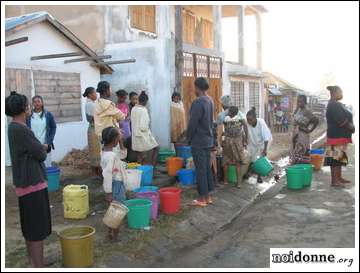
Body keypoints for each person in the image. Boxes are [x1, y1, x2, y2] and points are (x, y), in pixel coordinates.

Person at [6, 91, 51, 267]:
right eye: (28, 105)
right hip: (32, 183)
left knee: (30, 226)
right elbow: (40, 154)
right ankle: (38, 265)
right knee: (37, 229)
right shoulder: (22, 129)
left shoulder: (13, 127)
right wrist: (43, 147)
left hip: (24, 183)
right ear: (24, 108)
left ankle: (33, 261)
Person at [187, 77, 215, 207]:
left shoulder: (198, 102)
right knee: (206, 169)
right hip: (208, 140)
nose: (194, 90)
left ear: (197, 87)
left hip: (199, 140)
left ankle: (202, 199)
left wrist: (188, 138)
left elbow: (193, 124)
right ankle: (208, 196)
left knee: (201, 170)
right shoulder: (210, 100)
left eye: (194, 87)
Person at [324, 86, 355, 187]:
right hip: (336, 136)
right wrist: (351, 127)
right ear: (335, 93)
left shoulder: (335, 104)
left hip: (338, 136)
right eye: (340, 92)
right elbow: (341, 121)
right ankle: (335, 181)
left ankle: (338, 177)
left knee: (338, 158)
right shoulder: (334, 105)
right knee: (335, 160)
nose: (342, 94)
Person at [100, 127, 127, 241]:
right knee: (117, 211)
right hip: (115, 185)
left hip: (115, 185)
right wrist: (109, 192)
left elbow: (123, 155)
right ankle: (115, 236)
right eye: (118, 137)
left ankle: (110, 233)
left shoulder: (107, 151)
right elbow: (107, 175)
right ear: (114, 139)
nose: (119, 139)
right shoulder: (110, 156)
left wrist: (121, 143)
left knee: (113, 211)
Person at [93, 81, 126, 160]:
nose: (111, 91)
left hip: (102, 136)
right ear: (106, 90)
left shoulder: (97, 102)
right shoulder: (108, 104)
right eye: (110, 88)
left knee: (105, 158)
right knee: (114, 159)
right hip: (111, 136)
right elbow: (122, 116)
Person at [222, 106, 250, 188]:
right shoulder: (240, 119)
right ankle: (239, 183)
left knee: (226, 161)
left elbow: (224, 129)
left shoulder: (225, 119)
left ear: (230, 112)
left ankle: (225, 181)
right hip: (237, 142)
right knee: (238, 162)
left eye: (229, 111)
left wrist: (223, 138)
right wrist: (246, 138)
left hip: (228, 142)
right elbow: (245, 127)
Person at [131, 91, 160, 168]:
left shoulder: (134, 108)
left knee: (140, 156)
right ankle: (152, 169)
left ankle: (139, 173)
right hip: (143, 135)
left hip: (135, 135)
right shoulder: (143, 110)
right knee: (156, 148)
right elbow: (143, 127)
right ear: (145, 101)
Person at [26, 95, 56, 167]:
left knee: (46, 166)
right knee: (35, 167)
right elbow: (26, 130)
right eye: (34, 102)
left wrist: (48, 142)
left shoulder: (48, 115)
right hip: (33, 146)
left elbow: (53, 128)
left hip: (45, 146)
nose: (37, 103)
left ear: (42, 103)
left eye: (38, 101)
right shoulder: (29, 116)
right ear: (32, 104)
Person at [246, 107, 273, 183]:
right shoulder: (248, 124)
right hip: (254, 143)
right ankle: (249, 172)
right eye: (247, 120)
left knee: (259, 159)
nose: (249, 121)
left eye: (250, 120)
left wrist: (265, 150)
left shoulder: (261, 123)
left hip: (265, 142)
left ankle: (259, 176)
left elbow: (266, 137)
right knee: (251, 157)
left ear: (255, 118)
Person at [290, 95, 319, 165]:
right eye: (298, 101)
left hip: (303, 135)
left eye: (301, 101)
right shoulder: (298, 110)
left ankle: (302, 167)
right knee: (295, 150)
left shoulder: (307, 111)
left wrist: (310, 130)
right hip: (296, 134)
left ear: (305, 102)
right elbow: (294, 120)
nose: (299, 103)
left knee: (302, 150)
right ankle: (296, 165)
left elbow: (316, 121)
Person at [83, 87, 102, 177]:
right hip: (94, 129)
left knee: (96, 150)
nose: (96, 94)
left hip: (94, 129)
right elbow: (95, 118)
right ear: (90, 95)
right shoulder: (90, 104)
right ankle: (95, 173)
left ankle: (97, 172)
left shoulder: (91, 103)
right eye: (95, 93)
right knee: (96, 151)